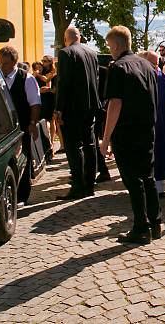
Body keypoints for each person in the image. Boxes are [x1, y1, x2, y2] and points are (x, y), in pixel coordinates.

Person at [100, 26, 161, 244]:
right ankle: (155, 223)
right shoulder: (146, 64)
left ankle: (141, 227)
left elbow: (115, 104)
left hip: (126, 131)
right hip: (147, 129)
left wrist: (106, 139)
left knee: (133, 179)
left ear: (116, 44)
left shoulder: (118, 67)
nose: (110, 50)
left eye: (109, 46)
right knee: (148, 177)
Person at [55, 26, 100, 200]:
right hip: (90, 106)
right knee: (90, 145)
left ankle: (78, 186)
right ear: (79, 38)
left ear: (67, 39)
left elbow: (63, 82)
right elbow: (96, 79)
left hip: (72, 107)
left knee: (74, 147)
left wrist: (58, 108)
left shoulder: (66, 53)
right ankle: (90, 185)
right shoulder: (92, 53)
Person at [0, 45, 41, 203]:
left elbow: (35, 103)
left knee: (24, 157)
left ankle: (23, 194)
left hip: (21, 125)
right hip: (3, 127)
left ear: (14, 62)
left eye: (5, 63)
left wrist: (32, 123)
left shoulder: (26, 78)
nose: (2, 66)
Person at [138, 51, 165, 197]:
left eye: (158, 64)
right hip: (157, 123)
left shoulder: (157, 76)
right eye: (154, 64)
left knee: (158, 153)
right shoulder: (157, 76)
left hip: (158, 123)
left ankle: (155, 187)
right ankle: (156, 187)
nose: (156, 67)